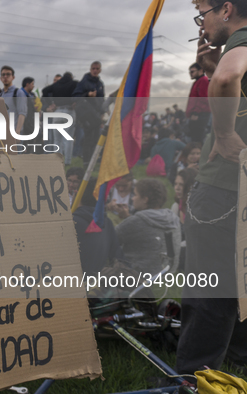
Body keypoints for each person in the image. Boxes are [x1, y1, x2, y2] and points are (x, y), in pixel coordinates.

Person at [176, 0, 247, 376]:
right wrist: (214, 65)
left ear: (226, 9)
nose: (200, 21)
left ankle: (192, 379)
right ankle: (236, 361)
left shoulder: (243, 40)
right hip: (241, 188)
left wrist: (222, 134)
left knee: (208, 290)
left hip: (223, 188)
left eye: (202, 11)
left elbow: (226, 78)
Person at [116, 179, 181, 275]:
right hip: (167, 275)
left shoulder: (137, 221)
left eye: (135, 195)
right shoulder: (172, 218)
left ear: (145, 199)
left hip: (139, 278)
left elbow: (109, 240)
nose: (132, 198)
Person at [73, 178, 123, 275]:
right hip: (96, 284)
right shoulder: (107, 223)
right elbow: (118, 257)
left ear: (77, 194)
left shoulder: (70, 223)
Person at [42, 72, 78, 163]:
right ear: (71, 77)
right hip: (69, 110)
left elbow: (44, 91)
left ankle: (57, 161)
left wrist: (51, 103)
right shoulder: (74, 84)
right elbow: (82, 92)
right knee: (68, 139)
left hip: (57, 112)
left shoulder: (56, 85)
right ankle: (67, 161)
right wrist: (76, 101)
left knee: (57, 139)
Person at [73, 61, 105, 163]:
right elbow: (75, 96)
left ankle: (92, 161)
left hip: (96, 114)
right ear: (90, 69)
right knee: (88, 138)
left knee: (95, 139)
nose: (95, 70)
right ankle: (86, 161)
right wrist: (87, 94)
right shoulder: (84, 82)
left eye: (97, 68)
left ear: (100, 70)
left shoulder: (100, 84)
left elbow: (101, 99)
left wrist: (102, 112)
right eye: (93, 68)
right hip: (87, 114)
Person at [0, 65, 28, 136]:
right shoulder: (1, 94)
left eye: (8, 74)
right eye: (3, 75)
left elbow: (22, 113)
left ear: (13, 77)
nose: (5, 76)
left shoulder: (18, 93)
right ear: (1, 78)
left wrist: (17, 132)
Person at [186, 62, 211, 143]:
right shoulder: (197, 81)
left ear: (201, 71)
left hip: (199, 114)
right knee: (194, 138)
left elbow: (204, 98)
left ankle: (199, 154)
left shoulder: (203, 80)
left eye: (192, 71)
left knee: (197, 140)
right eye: (190, 72)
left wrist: (196, 113)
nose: (190, 74)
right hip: (196, 114)